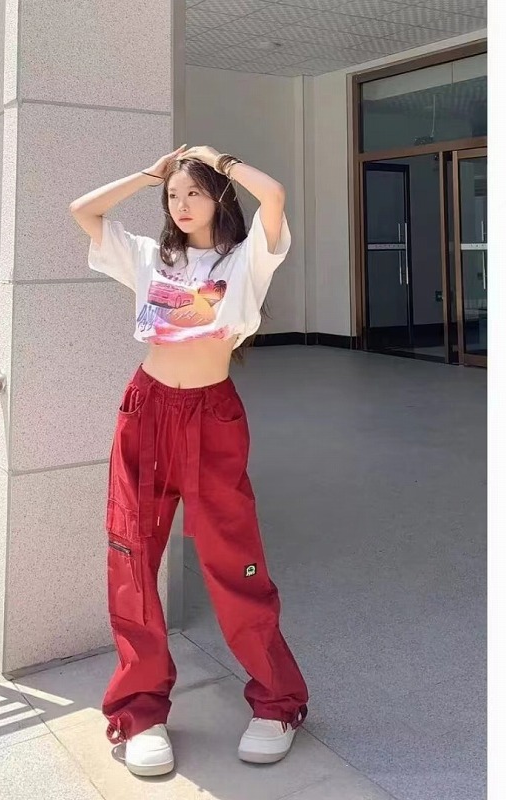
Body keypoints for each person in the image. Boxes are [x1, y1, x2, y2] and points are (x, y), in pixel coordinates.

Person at [69, 144, 309, 777]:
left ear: (218, 197)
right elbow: (83, 211)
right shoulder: (151, 257)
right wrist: (148, 174)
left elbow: (274, 194)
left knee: (234, 561)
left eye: (193, 192)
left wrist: (220, 162)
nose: (180, 204)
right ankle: (140, 711)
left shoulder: (247, 258)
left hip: (211, 417)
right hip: (146, 411)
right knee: (132, 559)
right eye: (172, 195)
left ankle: (277, 703)